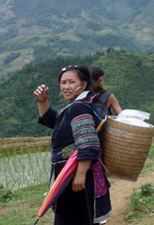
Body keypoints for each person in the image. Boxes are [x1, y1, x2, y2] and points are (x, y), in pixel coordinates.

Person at [34, 65, 111, 225]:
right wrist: (43, 101)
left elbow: (88, 141)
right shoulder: (82, 104)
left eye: (71, 82)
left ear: (83, 85)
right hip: (76, 174)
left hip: (74, 175)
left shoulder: (78, 107)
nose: (66, 87)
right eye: (63, 83)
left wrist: (80, 174)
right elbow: (56, 122)